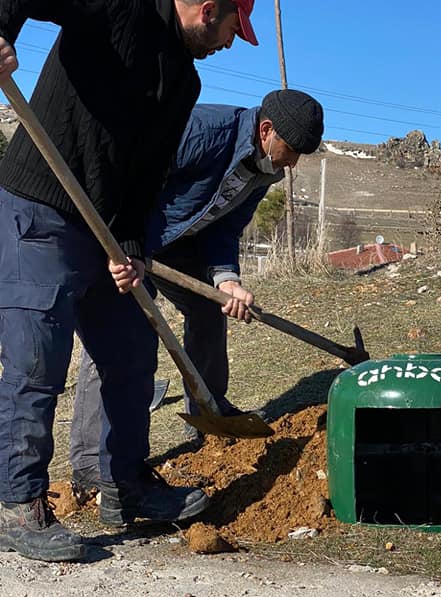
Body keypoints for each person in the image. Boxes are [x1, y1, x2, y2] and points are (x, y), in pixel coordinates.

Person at [0, 0, 259, 562]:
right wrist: (2, 28)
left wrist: (137, 250)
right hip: (41, 210)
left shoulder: (186, 83)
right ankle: (18, 504)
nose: (229, 44)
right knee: (39, 362)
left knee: (131, 357)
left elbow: (150, 179)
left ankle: (126, 486)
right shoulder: (117, 7)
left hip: (109, 233)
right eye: (231, 31)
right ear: (208, 10)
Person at [70, 89, 324, 492]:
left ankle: (210, 410)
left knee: (208, 312)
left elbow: (227, 226)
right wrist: (123, 244)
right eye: (291, 150)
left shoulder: (266, 168)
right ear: (266, 129)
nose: (292, 163)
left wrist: (227, 279)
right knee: (116, 333)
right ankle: (88, 466)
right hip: (132, 236)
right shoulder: (203, 130)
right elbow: (133, 175)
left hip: (183, 245)